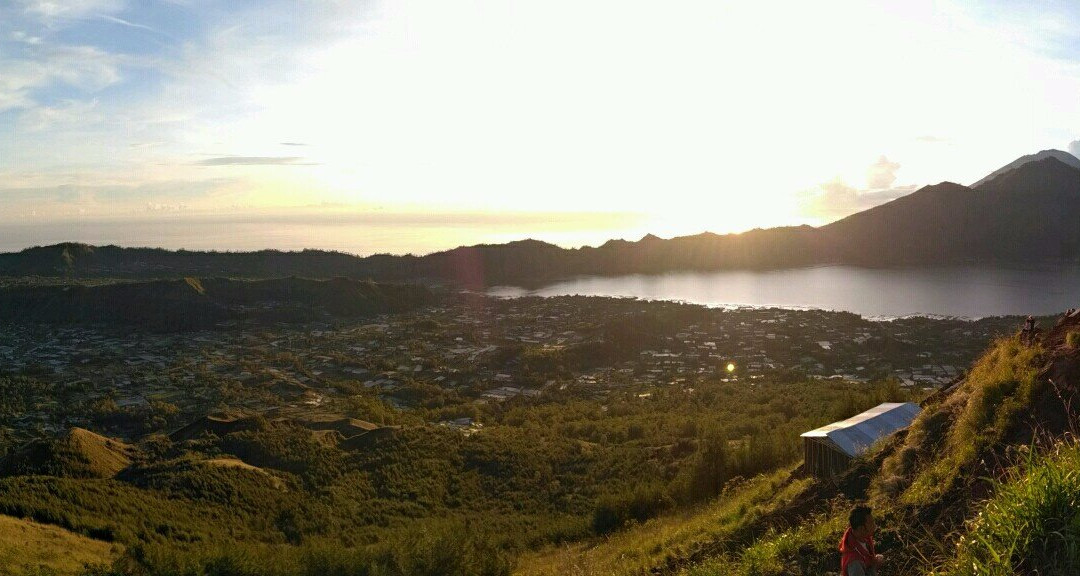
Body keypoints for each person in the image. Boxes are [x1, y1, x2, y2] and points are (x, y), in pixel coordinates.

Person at [839, 504, 884, 576]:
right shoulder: (855, 562)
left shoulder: (863, 536)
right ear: (861, 528)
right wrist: (874, 567)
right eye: (871, 523)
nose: (875, 526)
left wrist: (874, 561)